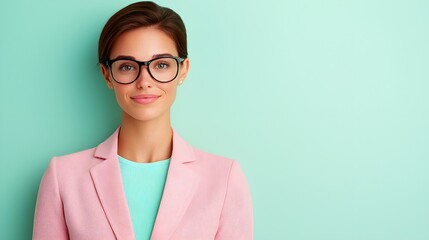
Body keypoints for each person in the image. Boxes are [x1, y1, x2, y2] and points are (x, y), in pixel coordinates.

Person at [33, 1, 253, 239]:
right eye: (127, 66)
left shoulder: (224, 179)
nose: (144, 81)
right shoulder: (63, 177)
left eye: (161, 65)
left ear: (183, 70)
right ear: (107, 75)